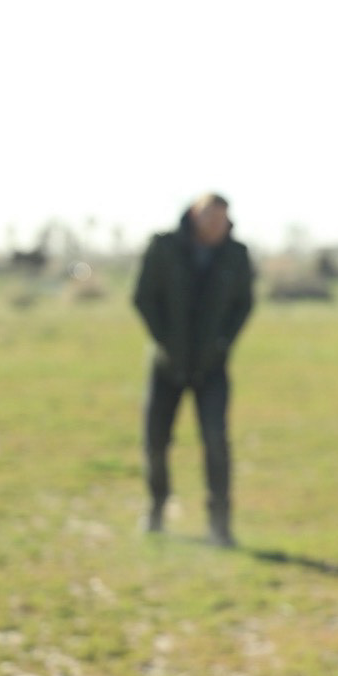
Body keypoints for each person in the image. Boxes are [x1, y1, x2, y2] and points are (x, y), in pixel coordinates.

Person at [132, 193, 253, 546]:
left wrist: (222, 343)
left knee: (216, 441)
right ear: (193, 216)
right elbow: (143, 297)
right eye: (208, 218)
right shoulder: (164, 247)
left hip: (211, 367)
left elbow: (244, 303)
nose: (215, 226)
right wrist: (165, 342)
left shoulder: (236, 254)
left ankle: (220, 524)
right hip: (167, 364)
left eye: (221, 220)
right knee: (156, 441)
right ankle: (156, 510)